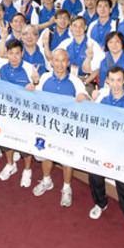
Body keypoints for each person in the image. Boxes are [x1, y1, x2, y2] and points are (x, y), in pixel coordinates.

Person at [88, 66, 124, 240]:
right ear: (107, 80)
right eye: (112, 80)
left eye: (119, 80)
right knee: (95, 176)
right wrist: (92, 102)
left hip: (123, 149)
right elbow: (93, 119)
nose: (115, 84)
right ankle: (100, 203)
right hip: (103, 145)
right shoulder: (101, 96)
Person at [32, 49, 89, 207]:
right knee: (45, 154)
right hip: (46, 125)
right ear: (51, 62)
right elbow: (34, 97)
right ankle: (46, 180)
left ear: (68, 63)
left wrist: (86, 98)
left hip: (66, 129)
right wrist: (34, 84)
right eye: (56, 60)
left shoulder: (76, 82)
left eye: (63, 60)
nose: (59, 64)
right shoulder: (43, 78)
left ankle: (66, 188)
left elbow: (87, 100)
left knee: (66, 159)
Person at [0, 40, 40, 187]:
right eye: (11, 53)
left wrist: (35, 84)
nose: (14, 57)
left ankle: (27, 170)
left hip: (26, 113)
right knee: (5, 139)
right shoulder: (2, 69)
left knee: (24, 143)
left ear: (22, 53)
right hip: (8, 111)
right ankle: (10, 164)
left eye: (17, 53)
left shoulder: (29, 69)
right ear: (7, 54)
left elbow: (37, 93)